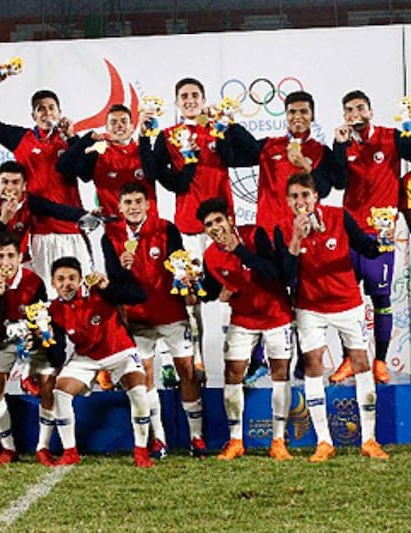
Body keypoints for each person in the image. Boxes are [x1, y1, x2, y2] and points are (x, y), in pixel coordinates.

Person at [274, 173, 389, 462]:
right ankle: (324, 441)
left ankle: (369, 440)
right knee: (313, 365)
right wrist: (296, 239)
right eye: (295, 197)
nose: (301, 202)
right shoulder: (282, 228)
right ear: (288, 202)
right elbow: (287, 276)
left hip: (348, 303)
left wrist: (383, 239)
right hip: (310, 307)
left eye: (305, 195)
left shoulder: (340, 216)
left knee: (361, 363)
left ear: (316, 196)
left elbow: (366, 247)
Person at [140, 78, 233, 379]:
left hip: (223, 229)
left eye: (195, 95)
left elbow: (244, 155)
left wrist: (229, 126)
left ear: (204, 100)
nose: (190, 100)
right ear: (177, 103)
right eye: (184, 96)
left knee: (229, 296)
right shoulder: (168, 136)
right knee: (190, 301)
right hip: (189, 230)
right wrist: (146, 136)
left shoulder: (219, 128)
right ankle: (196, 364)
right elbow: (155, 173)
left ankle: (235, 362)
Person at [101, 182, 202, 458]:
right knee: (144, 377)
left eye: (138, 201)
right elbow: (115, 286)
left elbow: (178, 265)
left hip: (171, 313)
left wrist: (187, 279)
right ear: (119, 207)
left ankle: (197, 437)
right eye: (128, 202)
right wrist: (121, 270)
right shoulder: (110, 235)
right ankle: (160, 439)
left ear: (148, 204)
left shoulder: (166, 228)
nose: (133, 207)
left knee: (187, 372)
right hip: (138, 318)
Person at [195, 198, 294, 461]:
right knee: (233, 373)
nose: (215, 227)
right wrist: (193, 285)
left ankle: (278, 440)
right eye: (208, 225)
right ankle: (236, 440)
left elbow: (275, 273)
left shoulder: (254, 234)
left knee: (280, 374)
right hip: (243, 320)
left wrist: (240, 250)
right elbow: (210, 293)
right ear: (204, 230)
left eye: (218, 220)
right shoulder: (209, 256)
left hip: (276, 315)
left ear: (229, 219)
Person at [0, 74, 90, 292]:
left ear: (59, 112)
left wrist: (73, 138)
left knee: (81, 291)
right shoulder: (20, 138)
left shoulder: (70, 140)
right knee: (44, 294)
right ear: (33, 115)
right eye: (40, 109)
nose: (47, 113)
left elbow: (85, 174)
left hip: (71, 229)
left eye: (51, 108)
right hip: (39, 232)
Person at [329, 90, 411, 384]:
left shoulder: (392, 137)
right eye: (349, 110)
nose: (355, 114)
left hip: (381, 234)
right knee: (346, 302)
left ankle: (380, 361)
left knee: (381, 298)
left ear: (371, 111)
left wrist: (409, 129)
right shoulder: (343, 143)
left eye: (360, 108)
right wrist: (339, 147)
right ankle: (349, 359)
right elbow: (337, 182)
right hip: (350, 233)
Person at [45, 257, 153, 467]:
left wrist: (108, 286)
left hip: (120, 351)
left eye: (71, 278)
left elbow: (139, 296)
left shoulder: (98, 291)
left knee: (139, 389)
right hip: (86, 358)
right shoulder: (53, 310)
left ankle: (141, 451)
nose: (66, 284)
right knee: (60, 392)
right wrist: (46, 339)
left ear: (80, 280)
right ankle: (70, 452)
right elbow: (57, 355)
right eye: (60, 279)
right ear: (52, 282)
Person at [0, 232, 59, 466]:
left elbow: (42, 318)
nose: (6, 262)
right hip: (1, 342)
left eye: (11, 256)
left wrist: (34, 337)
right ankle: (8, 448)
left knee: (48, 385)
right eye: (0, 256)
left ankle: (43, 447)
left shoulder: (34, 281)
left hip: (31, 340)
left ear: (20, 257)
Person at [219, 90, 337, 238]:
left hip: (305, 231)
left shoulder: (322, 152)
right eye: (292, 112)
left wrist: (306, 166)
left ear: (312, 116)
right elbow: (231, 159)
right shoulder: (270, 145)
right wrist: (228, 124)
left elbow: (324, 190)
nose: (297, 117)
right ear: (286, 116)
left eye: (303, 111)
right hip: (271, 232)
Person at [0, 160, 90, 262]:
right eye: (5, 182)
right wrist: (3, 222)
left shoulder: (29, 200)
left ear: (24, 185)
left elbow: (56, 209)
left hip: (20, 262)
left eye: (15, 183)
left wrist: (85, 215)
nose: (9, 188)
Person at [57, 104, 157, 218]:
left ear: (132, 127)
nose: (119, 126)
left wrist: (144, 137)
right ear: (107, 128)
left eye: (124, 121)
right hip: (114, 232)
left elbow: (154, 174)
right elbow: (63, 167)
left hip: (149, 231)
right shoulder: (98, 156)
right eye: (113, 122)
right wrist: (84, 139)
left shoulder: (145, 152)